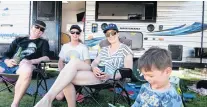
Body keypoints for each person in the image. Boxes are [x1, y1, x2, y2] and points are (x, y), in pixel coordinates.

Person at [34, 23, 133, 107]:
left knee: (67, 77)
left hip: (109, 78)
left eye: (113, 33)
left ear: (118, 33)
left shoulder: (125, 49)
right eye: (107, 34)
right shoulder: (105, 49)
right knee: (73, 62)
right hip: (97, 73)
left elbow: (128, 70)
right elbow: (94, 63)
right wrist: (94, 68)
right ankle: (49, 99)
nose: (110, 36)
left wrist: (111, 76)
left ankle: (48, 99)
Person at [0, 20, 50, 107]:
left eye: (42, 29)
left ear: (42, 33)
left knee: (26, 69)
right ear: (31, 27)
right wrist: (7, 61)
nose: (38, 30)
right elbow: (6, 54)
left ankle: (15, 104)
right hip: (10, 64)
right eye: (37, 27)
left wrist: (31, 61)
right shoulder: (19, 40)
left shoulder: (43, 42)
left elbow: (46, 57)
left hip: (26, 66)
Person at [55, 25, 91, 103]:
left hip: (77, 74)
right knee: (59, 97)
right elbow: (60, 61)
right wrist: (61, 72)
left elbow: (88, 64)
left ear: (79, 34)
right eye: (73, 32)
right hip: (65, 74)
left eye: (77, 33)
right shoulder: (65, 46)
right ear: (70, 33)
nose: (75, 34)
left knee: (61, 96)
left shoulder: (83, 47)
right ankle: (75, 95)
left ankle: (75, 94)